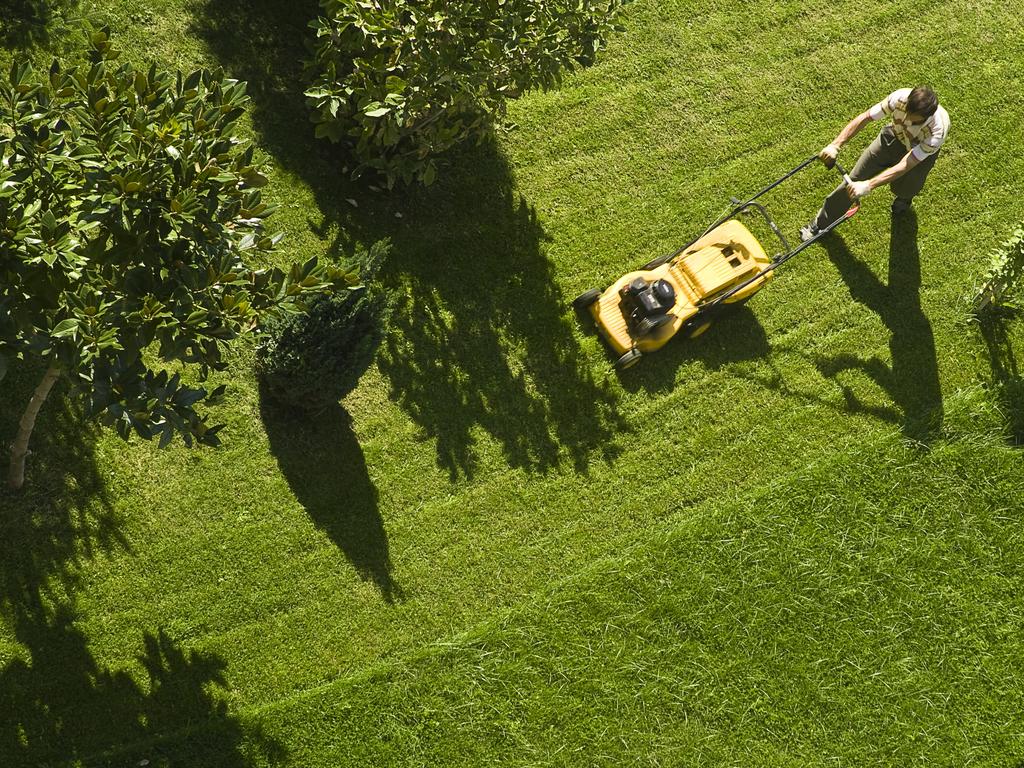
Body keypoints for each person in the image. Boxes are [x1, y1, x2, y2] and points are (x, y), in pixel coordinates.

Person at [800, 86, 950, 241]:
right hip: (892, 137)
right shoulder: (900, 98)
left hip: (917, 154)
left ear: (926, 117)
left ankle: (904, 199)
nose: (906, 119)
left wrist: (869, 185)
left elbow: (907, 163)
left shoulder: (937, 131)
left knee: (906, 188)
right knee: (854, 180)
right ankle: (821, 223)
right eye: (906, 112)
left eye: (912, 118)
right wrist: (835, 144)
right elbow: (866, 117)